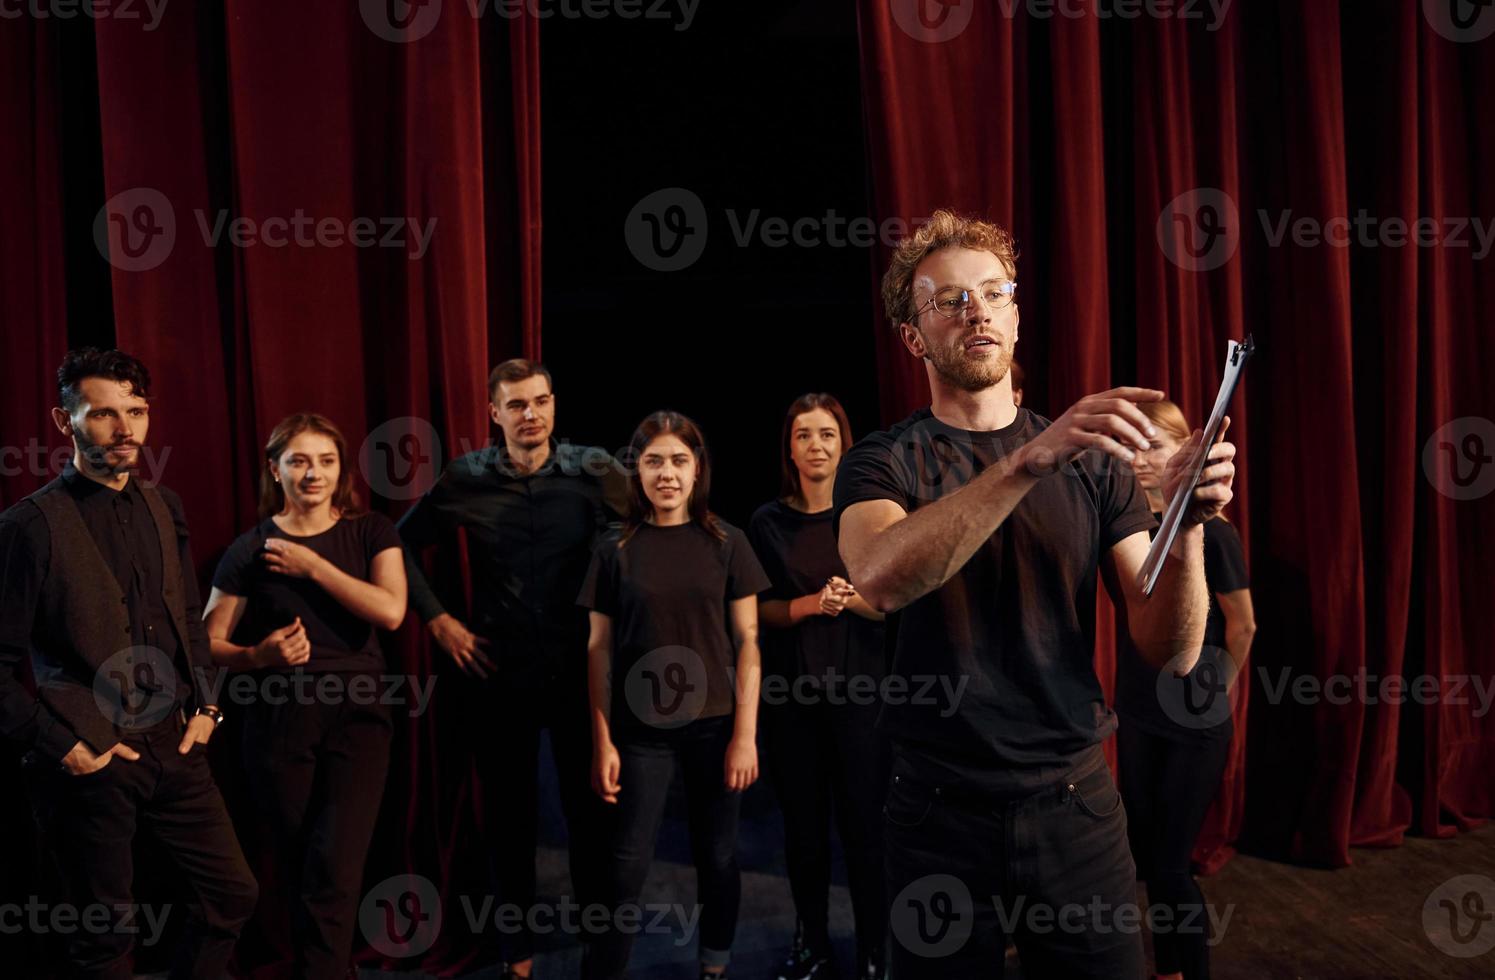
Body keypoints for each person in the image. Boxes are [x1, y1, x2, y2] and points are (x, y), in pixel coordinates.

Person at [834, 210, 1237, 978]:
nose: (975, 310)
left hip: (1075, 807)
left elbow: (1173, 647)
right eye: (948, 300)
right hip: (934, 816)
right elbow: (880, 578)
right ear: (913, 337)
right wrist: (1024, 463)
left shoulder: (1094, 467)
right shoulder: (880, 462)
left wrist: (1187, 523)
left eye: (992, 293)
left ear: (1015, 318)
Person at [0, 348, 258, 978]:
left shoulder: (163, 504)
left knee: (232, 893)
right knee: (104, 936)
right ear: (66, 422)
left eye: (136, 411)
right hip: (90, 755)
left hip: (176, 743)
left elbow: (188, 615)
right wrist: (63, 745)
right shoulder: (28, 526)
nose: (125, 430)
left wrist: (209, 705)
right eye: (103, 414)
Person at [395, 359, 627, 978]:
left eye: (541, 401)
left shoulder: (595, 470)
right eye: (517, 405)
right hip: (498, 671)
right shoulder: (465, 478)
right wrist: (438, 620)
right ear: (493, 413)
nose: (532, 415)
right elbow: (398, 545)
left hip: (581, 670)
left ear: (554, 404)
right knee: (508, 821)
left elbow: (654, 529)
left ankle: (598, 954)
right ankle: (515, 959)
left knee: (592, 819)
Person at [203, 413, 407, 979]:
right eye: (298, 460)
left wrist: (313, 565)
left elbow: (391, 611)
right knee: (301, 868)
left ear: (340, 469)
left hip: (359, 718)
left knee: (334, 869)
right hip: (279, 723)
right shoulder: (250, 548)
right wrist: (255, 657)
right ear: (276, 469)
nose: (313, 473)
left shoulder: (372, 532)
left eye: (325, 460)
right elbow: (205, 642)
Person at [578, 411, 770, 980]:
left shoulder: (727, 542)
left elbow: (749, 641)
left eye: (679, 461)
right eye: (654, 461)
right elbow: (597, 650)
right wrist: (602, 741)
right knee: (625, 864)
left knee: (717, 856)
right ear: (637, 470)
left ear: (697, 469)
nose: (667, 473)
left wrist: (744, 735)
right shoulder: (613, 548)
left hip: (715, 728)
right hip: (640, 734)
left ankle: (714, 965)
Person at [748, 393, 888, 980]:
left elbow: (894, 605)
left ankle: (877, 952)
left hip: (863, 703)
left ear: (844, 442)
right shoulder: (767, 522)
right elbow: (758, 613)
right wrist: (811, 604)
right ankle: (812, 946)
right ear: (789, 447)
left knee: (867, 832)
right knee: (804, 834)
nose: (816, 446)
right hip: (794, 705)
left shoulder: (870, 514)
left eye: (827, 434)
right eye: (804, 435)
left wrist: (851, 599)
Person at [1117, 398, 1255, 980]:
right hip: (1138, 715)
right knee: (1150, 861)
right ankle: (1167, 970)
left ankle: (1186, 970)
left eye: (1155, 445)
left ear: (1182, 450)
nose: (1141, 458)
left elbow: (1244, 624)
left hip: (1193, 727)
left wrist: (1213, 693)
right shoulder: (1128, 532)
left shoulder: (1213, 536)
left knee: (1173, 866)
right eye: (1134, 446)